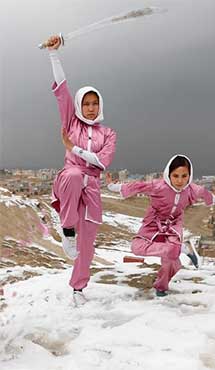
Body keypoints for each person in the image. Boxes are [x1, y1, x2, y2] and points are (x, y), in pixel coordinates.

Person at [45, 35, 117, 305]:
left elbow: (103, 162)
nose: (90, 108)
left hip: (93, 190)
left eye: (94, 103)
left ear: (99, 105)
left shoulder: (108, 133)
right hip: (70, 180)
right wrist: (54, 54)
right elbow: (62, 90)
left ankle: (78, 289)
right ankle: (66, 231)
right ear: (79, 105)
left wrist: (74, 149)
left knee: (87, 245)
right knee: (75, 174)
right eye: (85, 103)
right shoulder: (70, 123)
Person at [107, 154, 215, 297]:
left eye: (184, 176)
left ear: (189, 175)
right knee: (136, 248)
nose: (180, 180)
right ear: (169, 174)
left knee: (170, 260)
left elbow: (207, 195)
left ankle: (161, 287)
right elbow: (137, 187)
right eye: (176, 175)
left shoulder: (193, 189)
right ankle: (183, 248)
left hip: (174, 225)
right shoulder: (158, 186)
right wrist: (112, 186)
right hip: (153, 223)